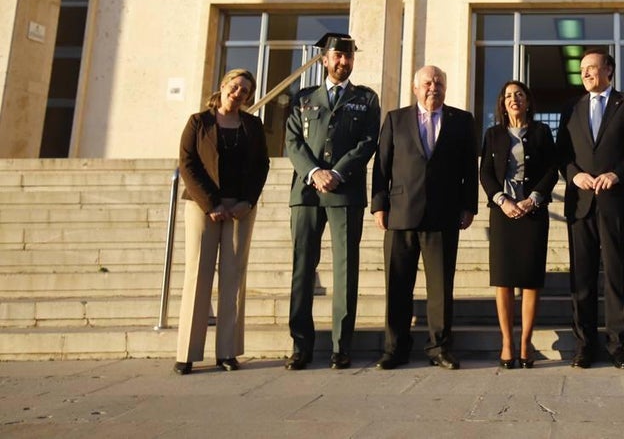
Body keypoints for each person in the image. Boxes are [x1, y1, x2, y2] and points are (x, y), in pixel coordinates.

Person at [284, 34, 381, 370]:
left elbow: (368, 142)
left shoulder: (366, 99)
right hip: (307, 193)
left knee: (345, 270)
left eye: (349, 56)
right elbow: (292, 142)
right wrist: (314, 172)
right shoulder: (304, 97)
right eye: (338, 56)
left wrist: (336, 173)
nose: (344, 62)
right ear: (324, 59)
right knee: (302, 268)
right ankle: (301, 346)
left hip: (345, 191)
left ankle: (342, 346)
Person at [372, 65, 479, 370]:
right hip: (401, 213)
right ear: (415, 87)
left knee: (441, 288)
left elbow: (469, 168)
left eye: (440, 83)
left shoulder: (462, 120)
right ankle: (395, 348)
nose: (434, 87)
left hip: (443, 215)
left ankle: (439, 348)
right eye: (428, 82)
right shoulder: (395, 119)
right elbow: (382, 165)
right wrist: (379, 204)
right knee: (397, 286)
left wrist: (468, 206)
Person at [555, 48, 624, 369]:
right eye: (582, 70)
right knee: (581, 280)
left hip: (617, 202)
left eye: (592, 68)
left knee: (616, 275)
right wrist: (575, 175)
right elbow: (562, 155)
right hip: (581, 204)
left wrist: (617, 173)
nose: (585, 74)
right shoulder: (571, 108)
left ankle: (619, 345)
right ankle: (584, 345)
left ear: (608, 70)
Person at [174, 68, 269, 374]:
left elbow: (261, 166)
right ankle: (186, 353)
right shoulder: (198, 122)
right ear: (224, 86)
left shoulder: (253, 126)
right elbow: (187, 164)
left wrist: (246, 202)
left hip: (241, 207)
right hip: (203, 207)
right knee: (198, 275)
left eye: (245, 91)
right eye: (235, 86)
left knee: (233, 278)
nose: (238, 93)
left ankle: (227, 352)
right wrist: (210, 203)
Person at [479, 80, 558, 368]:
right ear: (502, 103)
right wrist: (502, 200)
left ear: (527, 101)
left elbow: (552, 169)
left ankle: (526, 342)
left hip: (533, 213)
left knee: (530, 280)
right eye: (509, 96)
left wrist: (533, 199)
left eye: (520, 95)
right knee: (503, 280)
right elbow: (485, 173)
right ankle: (507, 343)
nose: (514, 100)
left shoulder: (541, 132)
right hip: (503, 214)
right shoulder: (493, 134)